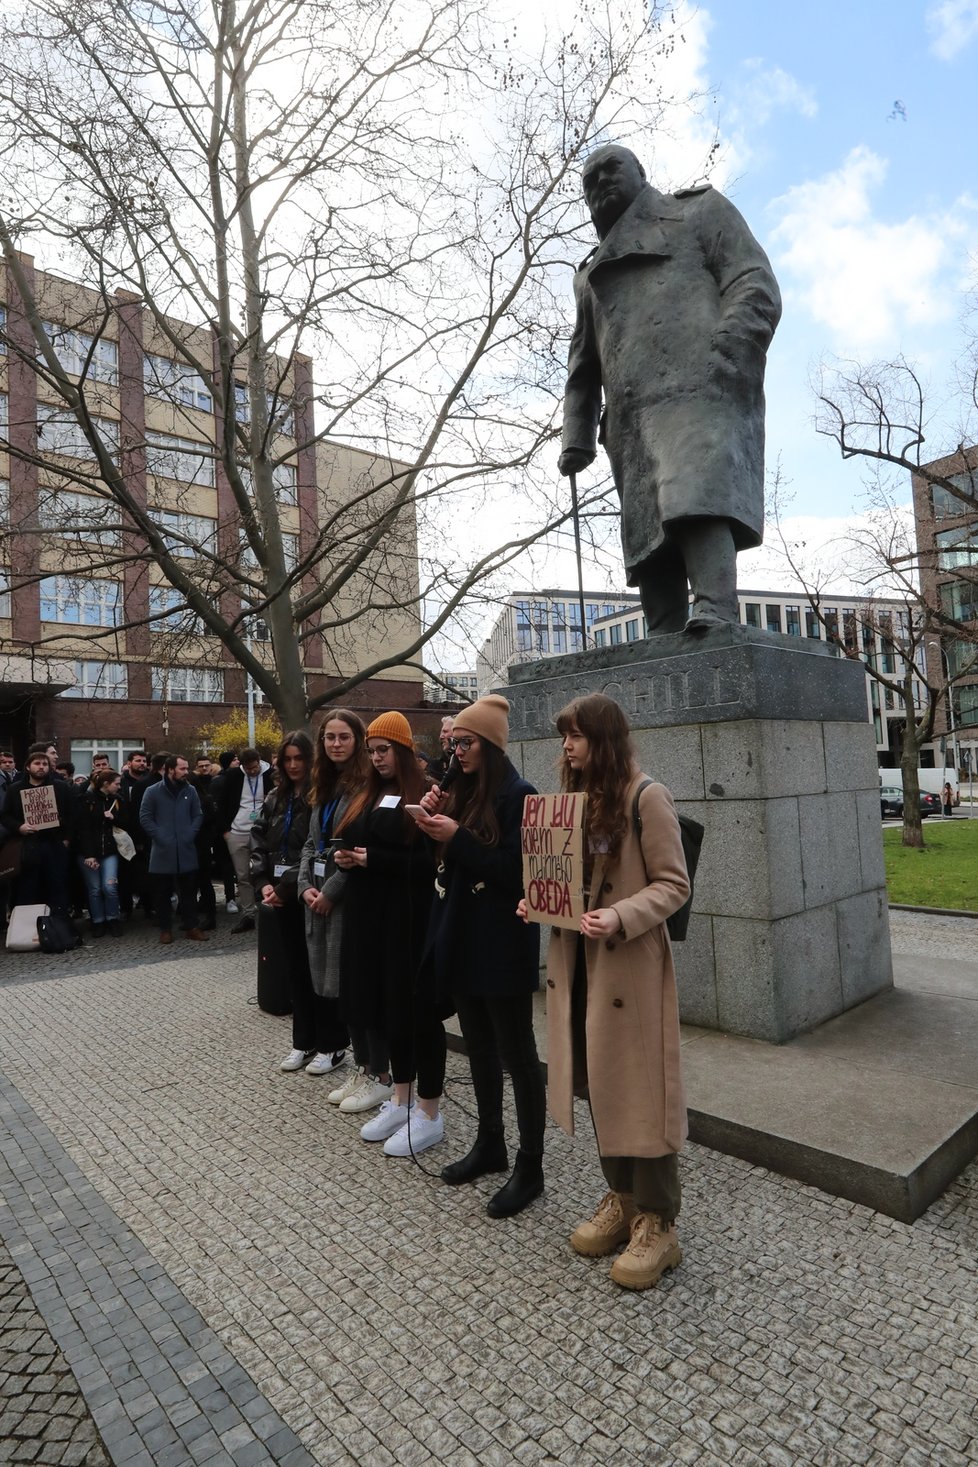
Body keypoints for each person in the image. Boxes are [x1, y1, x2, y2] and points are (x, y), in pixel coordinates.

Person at [559, 144, 781, 633]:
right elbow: (583, 361)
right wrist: (576, 435)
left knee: (693, 494)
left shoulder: (698, 211)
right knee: (647, 528)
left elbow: (754, 282)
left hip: (699, 391)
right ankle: (662, 629)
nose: (599, 182)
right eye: (588, 180)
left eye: (610, 169)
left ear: (641, 172)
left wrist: (727, 354)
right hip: (631, 418)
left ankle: (715, 607)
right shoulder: (589, 275)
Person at [527, 692, 690, 1291]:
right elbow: (564, 880)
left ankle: (659, 1221)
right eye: (563, 736)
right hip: (580, 961)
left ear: (605, 739)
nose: (566, 746)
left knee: (643, 1085)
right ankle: (622, 1198)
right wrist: (538, 897)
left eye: (576, 735)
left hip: (628, 965)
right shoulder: (572, 803)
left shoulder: (648, 796)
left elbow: (674, 884)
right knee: (602, 1081)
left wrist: (622, 915)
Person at [415, 694, 545, 1218]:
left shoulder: (521, 794)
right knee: (480, 1049)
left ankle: (530, 1165)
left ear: (489, 745)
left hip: (503, 944)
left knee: (518, 1055)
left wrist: (457, 838)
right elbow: (446, 866)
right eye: (452, 744)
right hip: (463, 939)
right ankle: (490, 1143)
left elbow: (520, 874)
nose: (456, 751)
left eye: (464, 743)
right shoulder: (460, 792)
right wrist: (431, 828)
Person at [333, 711, 442, 1155]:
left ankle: (430, 1112)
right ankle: (400, 1097)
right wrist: (346, 858)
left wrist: (371, 861)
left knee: (416, 1015)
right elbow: (356, 840)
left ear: (403, 750)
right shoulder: (371, 794)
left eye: (384, 750)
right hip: (369, 920)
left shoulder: (426, 795)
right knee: (387, 1011)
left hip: (407, 922)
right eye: (372, 751)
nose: (377, 758)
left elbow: (428, 864)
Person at [252, 731, 346, 1076]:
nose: (293, 765)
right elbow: (258, 839)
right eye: (287, 759)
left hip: (310, 891)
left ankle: (332, 1044)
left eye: (299, 758)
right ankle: (303, 1040)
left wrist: (288, 884)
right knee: (294, 970)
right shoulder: (275, 796)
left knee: (320, 970)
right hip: (279, 895)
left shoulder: (321, 794)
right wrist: (263, 883)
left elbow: (314, 847)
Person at [297, 710, 370, 1085]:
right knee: (319, 975)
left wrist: (328, 892)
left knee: (345, 977)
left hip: (345, 895)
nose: (336, 744)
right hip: (316, 892)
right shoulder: (322, 786)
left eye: (343, 737)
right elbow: (312, 842)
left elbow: (356, 848)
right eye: (329, 738)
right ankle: (332, 1046)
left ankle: (358, 1058)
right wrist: (304, 886)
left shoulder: (364, 786)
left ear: (358, 740)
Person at [139, 754, 209, 944]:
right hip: (162, 850)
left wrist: (189, 834)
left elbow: (197, 815)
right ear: (171, 770)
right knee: (162, 893)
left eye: (186, 768)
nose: (187, 772)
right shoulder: (153, 791)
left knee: (189, 892)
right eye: (183, 769)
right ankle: (165, 929)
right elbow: (145, 817)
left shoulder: (191, 790)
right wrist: (161, 837)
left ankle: (191, 926)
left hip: (186, 849)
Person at [0, 749, 75, 916]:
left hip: (54, 845)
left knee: (56, 888)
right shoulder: (15, 789)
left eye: (45, 764)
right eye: (37, 764)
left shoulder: (60, 787)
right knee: (27, 888)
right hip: (26, 846)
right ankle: (27, 931)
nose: (41, 767)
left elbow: (72, 815)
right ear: (28, 767)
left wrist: (67, 840)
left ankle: (59, 928)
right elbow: (5, 815)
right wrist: (19, 827)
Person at [217, 747, 273, 932]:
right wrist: (226, 831)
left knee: (267, 871)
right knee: (243, 876)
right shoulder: (233, 776)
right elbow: (223, 803)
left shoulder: (270, 774)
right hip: (237, 831)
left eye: (255, 767)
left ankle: (271, 910)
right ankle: (248, 914)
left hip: (263, 832)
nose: (252, 771)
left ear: (260, 761)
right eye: (248, 768)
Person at [76, 768, 123, 937]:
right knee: (94, 888)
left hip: (109, 851)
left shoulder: (117, 800)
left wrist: (114, 818)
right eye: (116, 784)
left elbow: (127, 822)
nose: (119, 787)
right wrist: (88, 855)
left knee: (109, 887)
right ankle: (98, 921)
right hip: (87, 853)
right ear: (106, 784)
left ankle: (113, 918)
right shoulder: (86, 801)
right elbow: (82, 829)